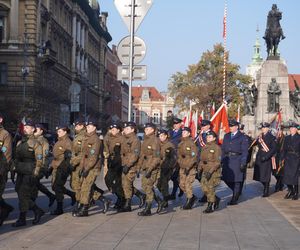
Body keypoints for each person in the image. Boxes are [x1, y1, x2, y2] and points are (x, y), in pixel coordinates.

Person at [12, 119, 45, 227]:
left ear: (33, 129)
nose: (25, 129)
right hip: (20, 171)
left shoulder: (36, 143)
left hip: (30, 171)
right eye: (24, 127)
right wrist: (13, 170)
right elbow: (16, 158)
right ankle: (35, 211)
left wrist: (36, 172)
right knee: (20, 192)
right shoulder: (20, 142)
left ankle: (24, 217)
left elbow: (39, 159)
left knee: (23, 194)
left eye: (27, 128)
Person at [75, 118, 108, 216]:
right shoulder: (87, 138)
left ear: (94, 127)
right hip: (85, 166)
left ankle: (84, 209)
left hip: (92, 167)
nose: (87, 128)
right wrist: (82, 167)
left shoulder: (95, 140)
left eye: (89, 126)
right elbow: (83, 155)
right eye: (87, 126)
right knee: (85, 186)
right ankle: (105, 200)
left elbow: (93, 157)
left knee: (86, 187)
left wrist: (87, 168)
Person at [119, 121, 145, 212]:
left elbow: (135, 154)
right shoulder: (124, 138)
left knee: (127, 184)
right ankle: (140, 195)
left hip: (131, 166)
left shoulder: (135, 140)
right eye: (124, 128)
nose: (125, 130)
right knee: (125, 184)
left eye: (127, 128)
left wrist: (128, 165)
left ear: (132, 129)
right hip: (124, 164)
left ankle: (128, 204)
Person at [222, 120, 248, 205]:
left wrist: (243, 162)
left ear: (237, 127)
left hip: (237, 159)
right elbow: (223, 149)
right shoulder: (226, 136)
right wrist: (221, 159)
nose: (231, 128)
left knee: (236, 180)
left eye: (232, 126)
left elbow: (245, 151)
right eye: (230, 126)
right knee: (226, 178)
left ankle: (234, 199)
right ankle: (236, 191)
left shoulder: (242, 137)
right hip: (227, 160)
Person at [136, 123, 161, 216]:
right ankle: (159, 201)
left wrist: (150, 169)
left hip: (152, 168)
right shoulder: (146, 140)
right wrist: (138, 167)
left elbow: (157, 158)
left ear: (153, 130)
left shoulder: (155, 140)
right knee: (144, 186)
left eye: (148, 128)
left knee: (148, 186)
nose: (145, 130)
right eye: (145, 128)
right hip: (145, 167)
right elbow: (142, 155)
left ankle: (148, 208)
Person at [50, 124, 75, 215]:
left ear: (65, 132)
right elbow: (56, 157)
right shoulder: (58, 141)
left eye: (60, 131)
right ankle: (72, 195)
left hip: (63, 167)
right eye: (57, 131)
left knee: (57, 187)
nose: (58, 133)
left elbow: (70, 157)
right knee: (55, 186)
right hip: (56, 166)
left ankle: (59, 208)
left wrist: (66, 169)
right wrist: (51, 167)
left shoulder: (67, 142)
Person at [198, 131, 222, 213]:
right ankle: (216, 199)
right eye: (207, 137)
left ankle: (210, 206)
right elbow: (201, 160)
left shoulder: (216, 148)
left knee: (210, 188)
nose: (208, 138)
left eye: (210, 137)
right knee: (204, 187)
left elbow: (217, 162)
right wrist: (199, 170)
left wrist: (211, 172)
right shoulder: (204, 147)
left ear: (214, 138)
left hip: (213, 172)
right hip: (205, 170)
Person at [103, 122, 124, 210]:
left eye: (114, 129)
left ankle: (121, 199)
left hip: (119, 162)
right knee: (108, 179)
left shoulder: (122, 138)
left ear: (118, 130)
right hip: (111, 161)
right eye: (111, 129)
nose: (112, 131)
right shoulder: (110, 138)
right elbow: (106, 147)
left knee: (117, 182)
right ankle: (120, 196)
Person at [34, 123, 56, 207]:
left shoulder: (44, 141)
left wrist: (42, 168)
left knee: (33, 183)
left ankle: (32, 204)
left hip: (39, 166)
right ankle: (50, 196)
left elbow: (45, 156)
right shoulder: (32, 139)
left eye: (37, 129)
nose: (35, 130)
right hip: (32, 166)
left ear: (41, 131)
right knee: (34, 183)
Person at [253, 122, 277, 197]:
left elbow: (273, 149)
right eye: (262, 128)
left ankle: (266, 190)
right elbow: (253, 144)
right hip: (259, 157)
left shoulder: (272, 137)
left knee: (265, 175)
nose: (263, 129)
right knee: (259, 175)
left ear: (268, 128)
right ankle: (265, 186)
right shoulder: (260, 137)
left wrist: (266, 157)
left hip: (267, 158)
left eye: (264, 128)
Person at [156, 129, 176, 213]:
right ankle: (166, 197)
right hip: (160, 167)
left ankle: (165, 201)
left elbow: (173, 159)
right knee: (158, 185)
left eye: (162, 136)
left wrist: (169, 168)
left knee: (164, 184)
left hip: (167, 168)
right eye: (159, 136)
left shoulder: (169, 145)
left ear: (166, 136)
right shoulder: (158, 144)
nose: (160, 137)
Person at [177, 127, 198, 209]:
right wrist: (179, 163)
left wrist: (188, 167)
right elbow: (179, 155)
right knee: (181, 184)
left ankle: (189, 201)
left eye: (185, 132)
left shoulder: (191, 143)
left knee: (187, 183)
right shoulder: (181, 143)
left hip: (190, 168)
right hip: (182, 167)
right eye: (183, 132)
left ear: (189, 133)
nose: (183, 133)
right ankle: (192, 197)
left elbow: (194, 156)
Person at [69, 118, 86, 216]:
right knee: (75, 185)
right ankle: (79, 202)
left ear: (81, 126)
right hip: (76, 164)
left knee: (78, 185)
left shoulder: (82, 137)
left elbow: (82, 153)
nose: (75, 127)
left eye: (77, 126)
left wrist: (73, 163)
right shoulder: (78, 136)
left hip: (79, 164)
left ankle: (80, 203)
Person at [0, 113, 14, 226]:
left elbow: (7, 155)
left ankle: (4, 211)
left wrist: (2, 171)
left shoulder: (5, 134)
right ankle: (6, 208)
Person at [281, 122, 300, 200]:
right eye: (291, 128)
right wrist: (282, 158)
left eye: (293, 128)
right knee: (286, 176)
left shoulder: (299, 138)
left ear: (296, 129)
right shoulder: (287, 138)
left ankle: (296, 192)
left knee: (294, 177)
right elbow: (284, 149)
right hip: (288, 158)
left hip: (296, 159)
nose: (291, 129)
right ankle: (290, 190)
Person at [195, 119, 212, 203]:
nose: (202, 127)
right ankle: (206, 194)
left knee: (206, 178)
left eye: (204, 125)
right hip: (200, 159)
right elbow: (195, 143)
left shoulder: (211, 134)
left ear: (208, 126)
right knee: (199, 177)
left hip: (208, 160)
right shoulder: (200, 135)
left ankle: (207, 196)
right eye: (201, 126)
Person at [168, 117, 184, 200]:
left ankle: (174, 193)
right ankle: (180, 188)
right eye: (174, 124)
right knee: (172, 176)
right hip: (169, 156)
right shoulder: (170, 132)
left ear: (180, 124)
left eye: (176, 124)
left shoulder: (183, 133)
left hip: (177, 157)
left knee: (175, 176)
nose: (175, 125)